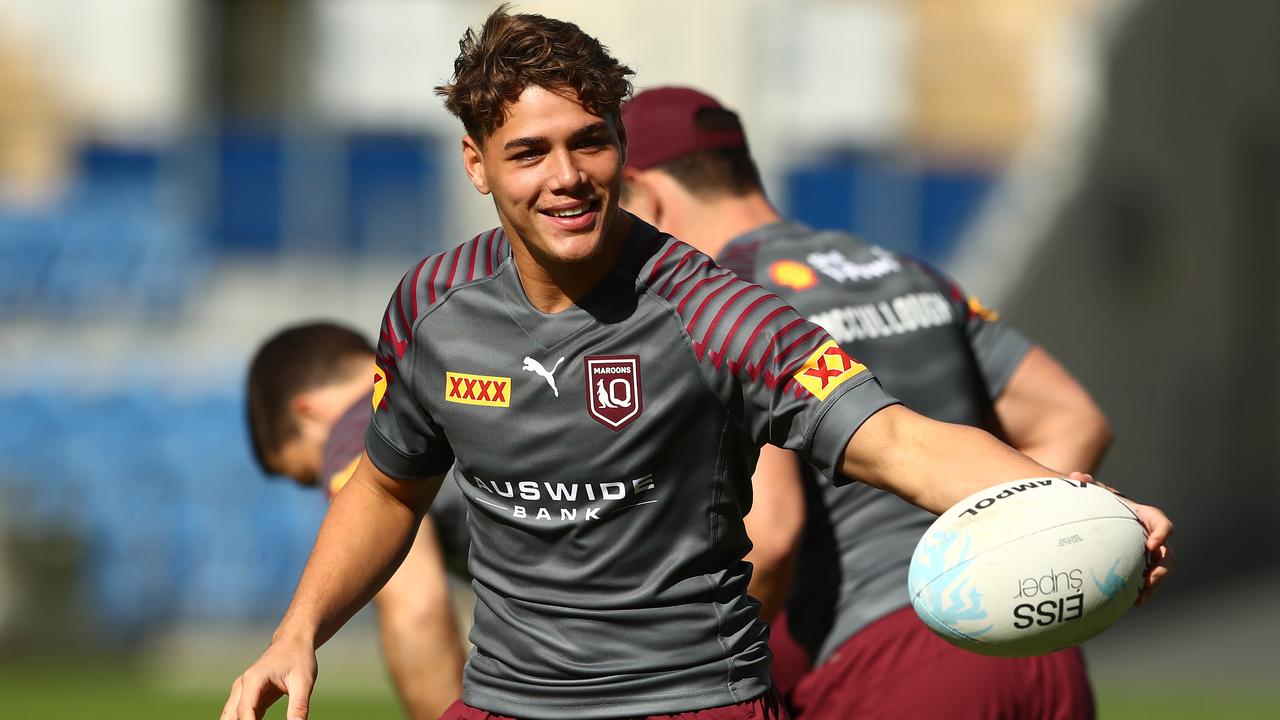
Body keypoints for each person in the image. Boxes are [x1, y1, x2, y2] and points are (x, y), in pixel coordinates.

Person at [221, 8, 1173, 720]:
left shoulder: (718, 310)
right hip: (506, 703)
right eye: (530, 153)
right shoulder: (429, 308)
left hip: (688, 702)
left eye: (590, 142)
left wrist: (1081, 511)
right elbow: (389, 490)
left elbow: (904, 444)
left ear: (622, 148)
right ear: (477, 164)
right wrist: (298, 631)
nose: (566, 176)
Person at [618, 85, 1136, 718]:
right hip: (1035, 647)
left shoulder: (726, 306)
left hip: (891, 661)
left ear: (645, 194)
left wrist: (658, 679)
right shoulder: (900, 268)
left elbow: (770, 537)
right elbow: (1071, 418)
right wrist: (1001, 554)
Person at [245, 321, 469, 720]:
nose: (329, 489)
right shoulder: (458, 370)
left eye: (311, 474)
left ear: (308, 414)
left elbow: (415, 606)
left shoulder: (357, 432)